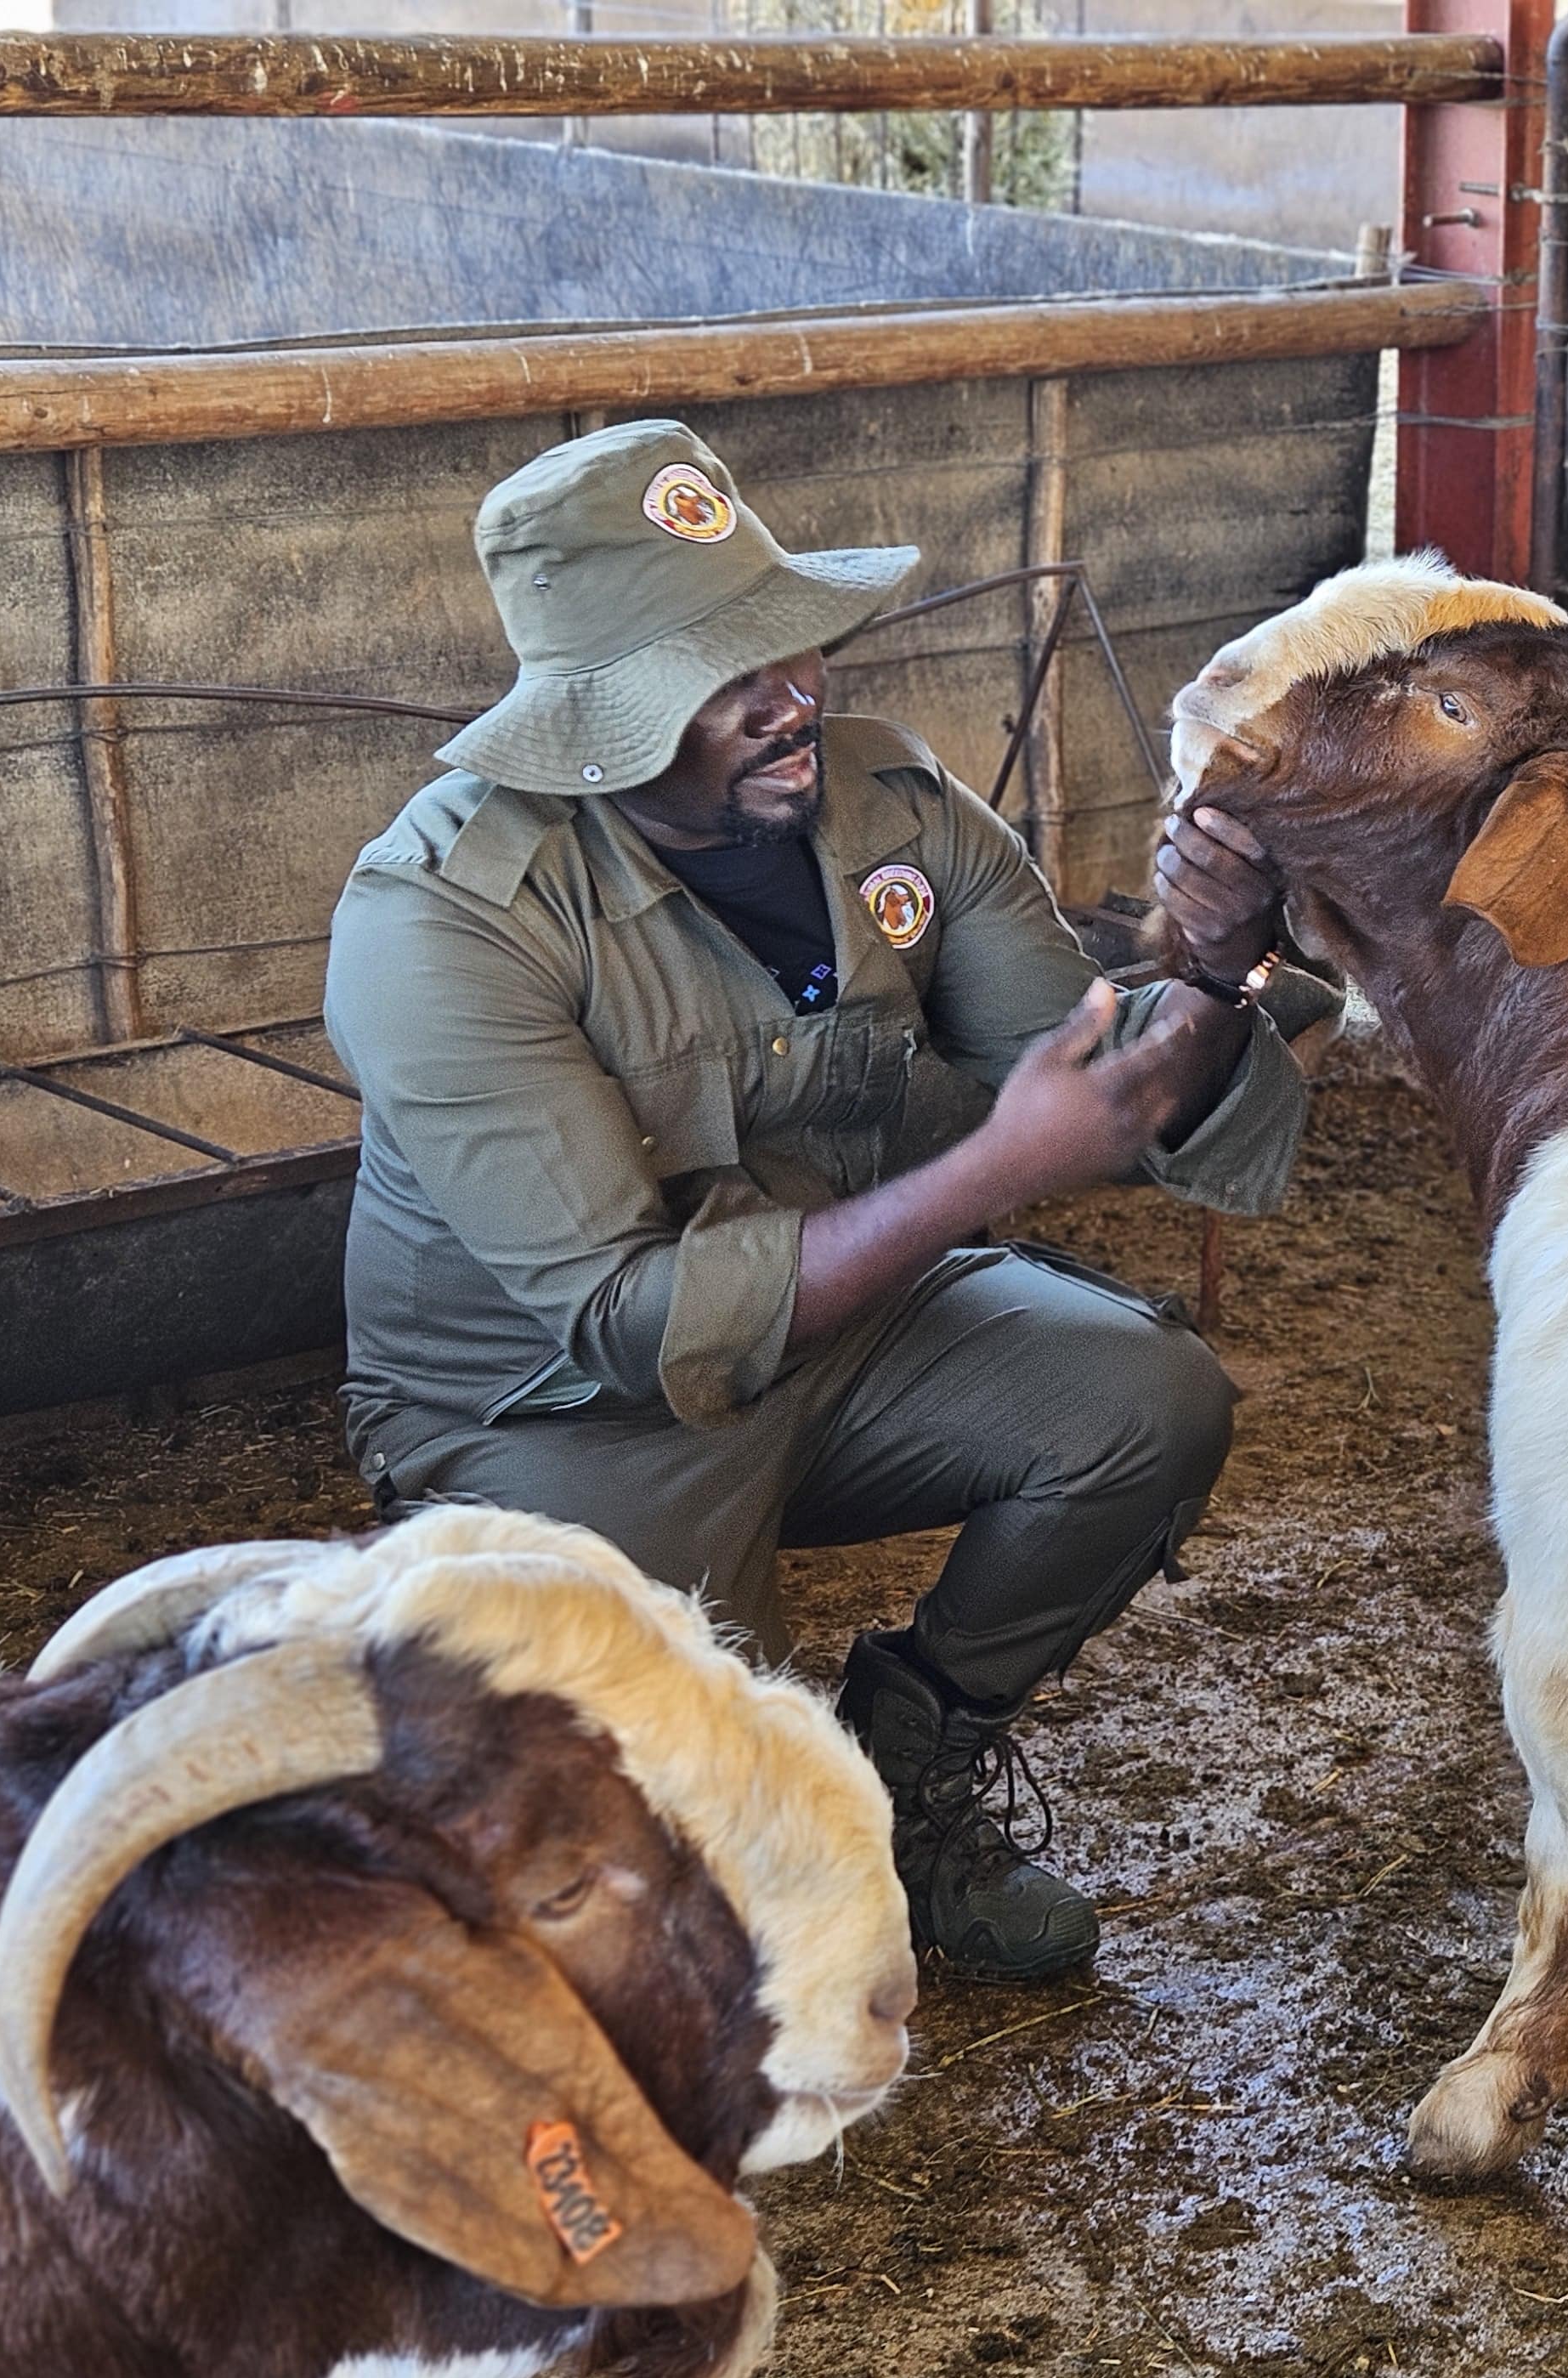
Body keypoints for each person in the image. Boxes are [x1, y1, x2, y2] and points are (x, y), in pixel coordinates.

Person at [325, 418, 1317, 1982]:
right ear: (598, 722)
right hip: (551, 1409)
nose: (796, 696)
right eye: (728, 675)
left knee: (1144, 1398)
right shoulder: (444, 917)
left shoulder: (894, 810)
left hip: (850, 1326)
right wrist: (995, 1172)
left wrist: (1208, 964)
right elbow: (625, 1320)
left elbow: (1080, 1074)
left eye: (790, 641)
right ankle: (625, 1719)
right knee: (723, 1917)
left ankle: (909, 1775)